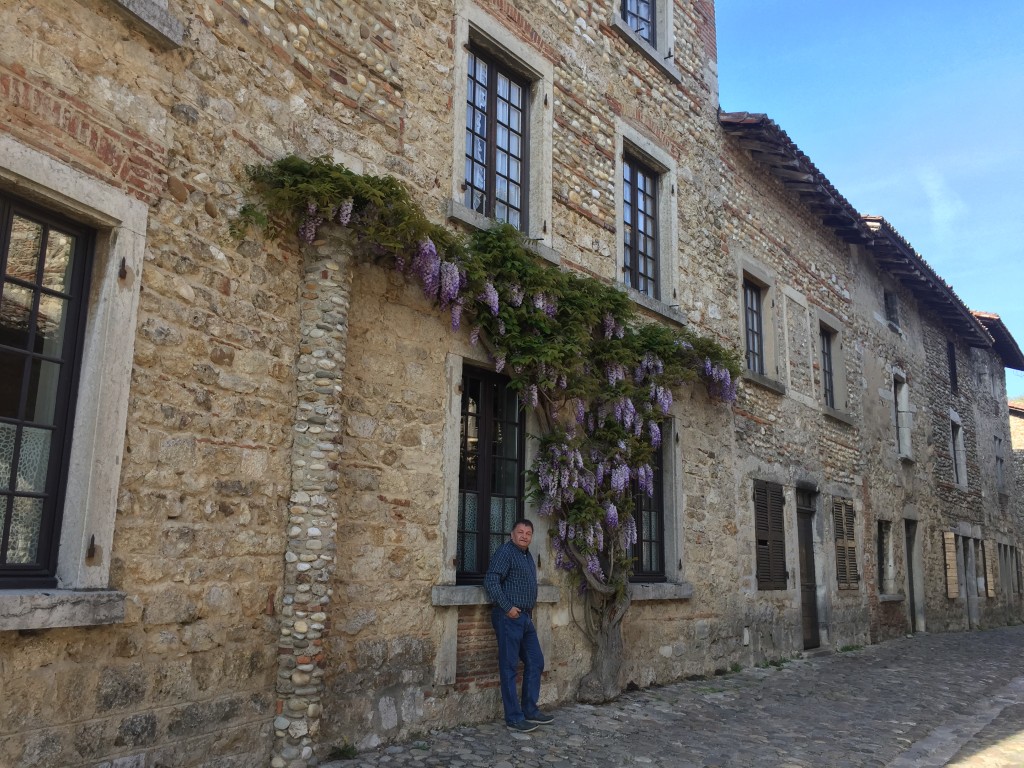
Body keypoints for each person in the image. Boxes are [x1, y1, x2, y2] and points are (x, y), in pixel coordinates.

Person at [484, 518, 554, 732]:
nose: (524, 536)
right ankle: (514, 718)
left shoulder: (526, 555)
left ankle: (530, 710)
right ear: (512, 534)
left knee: (536, 661)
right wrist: (508, 608)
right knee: (509, 667)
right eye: (520, 532)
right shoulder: (505, 552)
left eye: (528, 533)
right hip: (509, 618)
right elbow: (491, 581)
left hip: (525, 618)